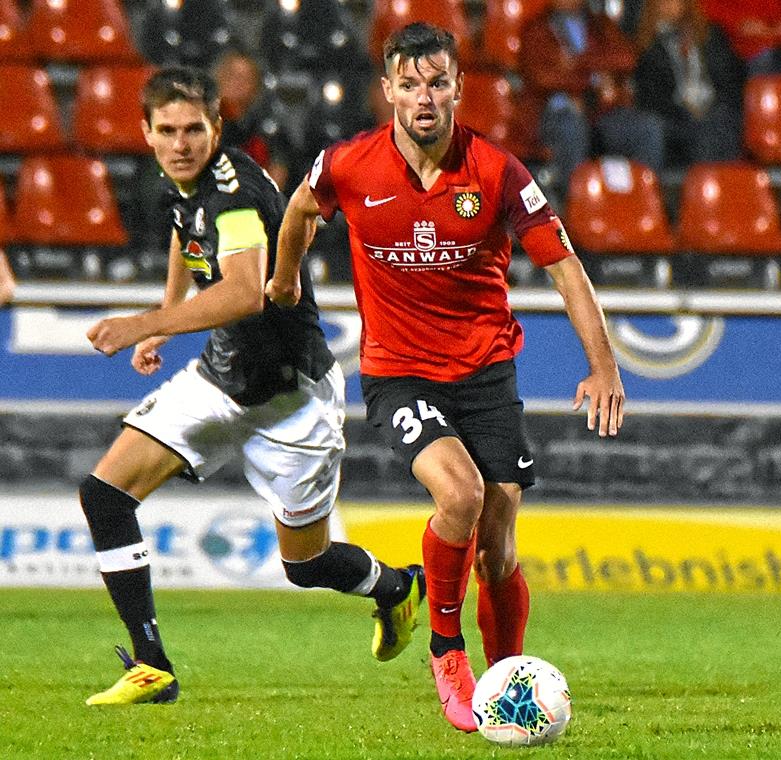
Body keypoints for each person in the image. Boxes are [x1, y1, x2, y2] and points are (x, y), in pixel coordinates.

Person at [265, 22, 626, 733]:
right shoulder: (349, 164)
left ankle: (508, 683)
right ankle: (446, 648)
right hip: (400, 374)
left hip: (486, 372)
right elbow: (301, 209)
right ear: (388, 90)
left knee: (499, 540)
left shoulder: (496, 172)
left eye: (437, 82)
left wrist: (603, 363)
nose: (423, 97)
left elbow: (564, 267)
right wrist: (283, 282)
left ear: (458, 86)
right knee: (458, 494)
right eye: (409, 84)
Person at [81, 66, 424, 706]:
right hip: (221, 378)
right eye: (167, 131)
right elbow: (189, 238)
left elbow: (242, 291)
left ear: (216, 127)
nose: (181, 143)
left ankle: (395, 587)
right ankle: (152, 665)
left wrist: (142, 325)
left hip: (293, 399)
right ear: (147, 133)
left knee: (306, 565)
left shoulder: (232, 193)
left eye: (193, 130)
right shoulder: (183, 184)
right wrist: (167, 319)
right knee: (104, 495)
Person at [519, 0, 666, 194]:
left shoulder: (599, 24)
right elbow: (541, 77)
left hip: (599, 111)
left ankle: (641, 199)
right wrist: (588, 83)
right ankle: (574, 205)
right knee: (572, 128)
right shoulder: (538, 29)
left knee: (647, 128)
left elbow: (627, 58)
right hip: (555, 114)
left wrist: (578, 63)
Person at [633, 0, 745, 169]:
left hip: (713, 112)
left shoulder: (712, 36)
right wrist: (686, 112)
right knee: (699, 131)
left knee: (720, 124)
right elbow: (651, 99)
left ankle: (719, 185)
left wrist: (712, 109)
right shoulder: (647, 48)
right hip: (674, 117)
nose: (667, 5)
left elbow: (729, 81)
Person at [214, 48, 294, 191]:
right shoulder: (204, 122)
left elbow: (279, 170)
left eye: (246, 79)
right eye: (233, 77)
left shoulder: (267, 128)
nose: (238, 84)